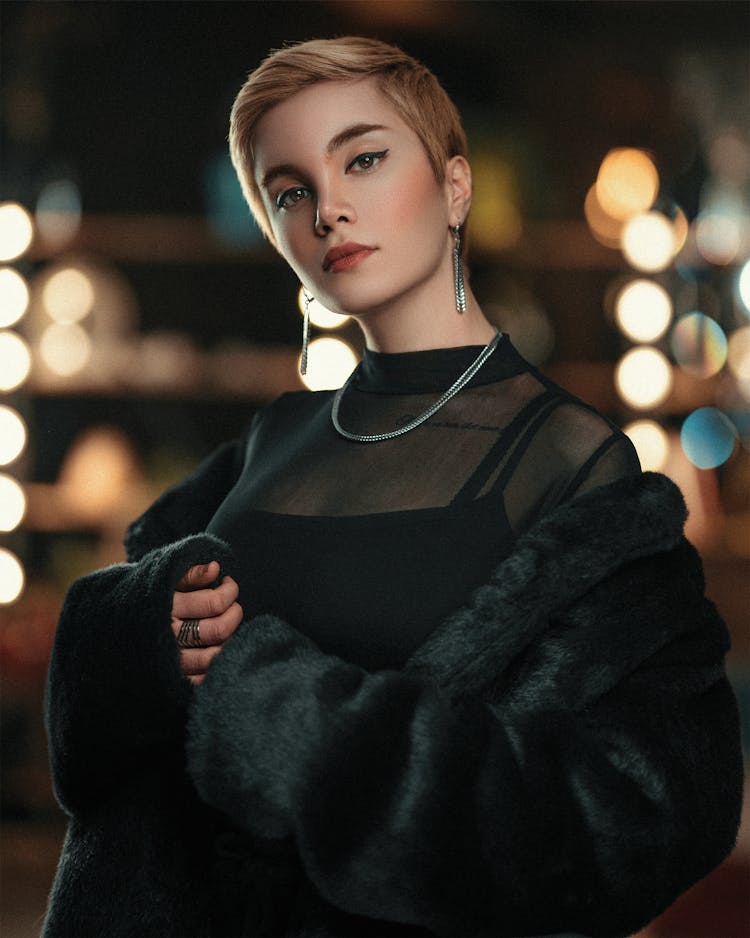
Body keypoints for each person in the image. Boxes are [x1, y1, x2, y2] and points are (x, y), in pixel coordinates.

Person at [43, 37, 742, 938]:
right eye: (289, 190)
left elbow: (645, 812)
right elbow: (107, 735)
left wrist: (294, 728)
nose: (329, 210)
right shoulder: (271, 437)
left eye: (364, 159)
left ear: (456, 185)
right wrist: (144, 635)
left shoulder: (571, 462)